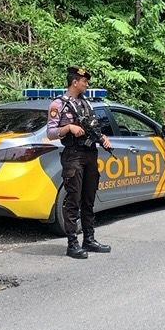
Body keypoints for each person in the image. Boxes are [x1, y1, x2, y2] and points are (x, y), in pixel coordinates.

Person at [46, 66, 113, 259]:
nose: (86, 84)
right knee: (73, 200)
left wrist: (103, 138)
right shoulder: (58, 104)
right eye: (84, 81)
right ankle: (72, 244)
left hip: (90, 154)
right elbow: (50, 133)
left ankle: (89, 239)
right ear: (75, 82)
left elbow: (94, 128)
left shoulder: (87, 104)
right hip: (73, 155)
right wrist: (68, 128)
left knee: (88, 199)